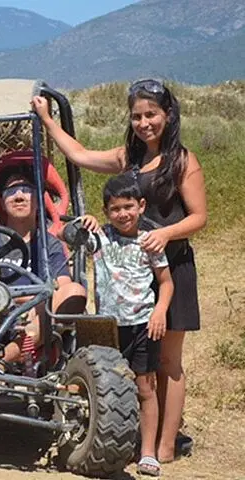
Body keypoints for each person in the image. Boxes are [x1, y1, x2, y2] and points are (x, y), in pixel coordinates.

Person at [32, 78, 206, 462]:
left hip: (172, 269)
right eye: (137, 116)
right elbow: (79, 154)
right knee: (139, 361)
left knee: (168, 361)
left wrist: (165, 234)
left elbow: (199, 217)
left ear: (168, 115)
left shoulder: (183, 161)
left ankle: (166, 445)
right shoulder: (130, 159)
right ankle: (143, 437)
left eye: (151, 115)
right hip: (130, 275)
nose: (144, 123)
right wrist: (47, 119)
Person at [80, 174, 174, 477]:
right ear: (106, 211)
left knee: (145, 387)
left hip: (143, 324)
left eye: (128, 207)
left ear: (141, 206)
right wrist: (84, 222)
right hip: (107, 326)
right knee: (106, 384)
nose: (123, 214)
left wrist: (160, 311)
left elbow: (166, 282)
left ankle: (147, 452)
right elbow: (68, 235)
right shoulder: (100, 238)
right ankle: (106, 441)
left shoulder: (150, 241)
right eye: (115, 209)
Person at [0, 170, 88, 374]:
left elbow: (65, 289)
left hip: (35, 319)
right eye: (11, 191)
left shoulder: (50, 244)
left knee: (74, 291)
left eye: (26, 190)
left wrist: (32, 303)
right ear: (2, 202)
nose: (19, 196)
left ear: (38, 200)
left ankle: (1, 361)